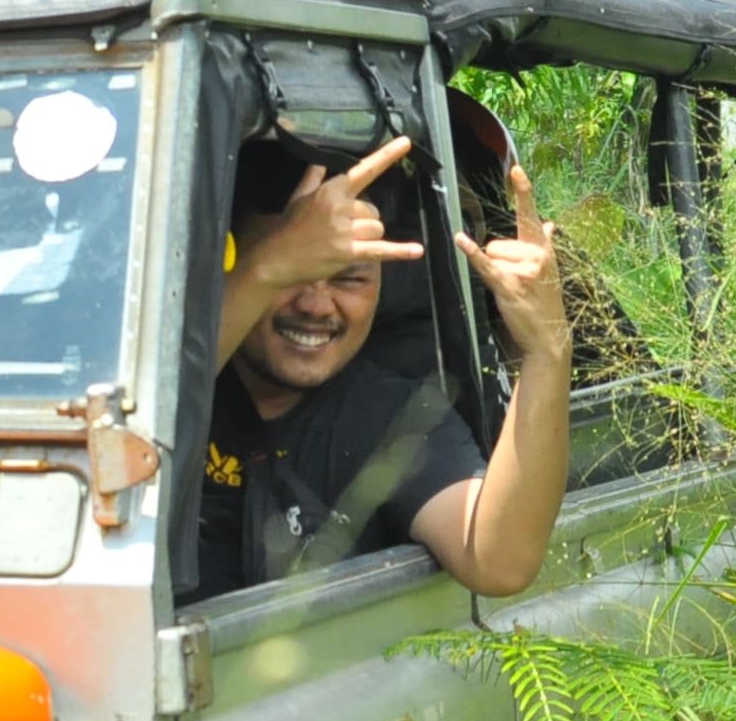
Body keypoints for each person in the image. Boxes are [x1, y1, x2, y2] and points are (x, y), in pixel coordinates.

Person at [198, 134, 570, 597]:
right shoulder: (166, 378)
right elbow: (120, 430)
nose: (316, 305)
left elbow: (498, 561)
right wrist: (266, 268)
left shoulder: (386, 414)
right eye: (294, 274)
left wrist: (547, 351)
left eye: (350, 276)